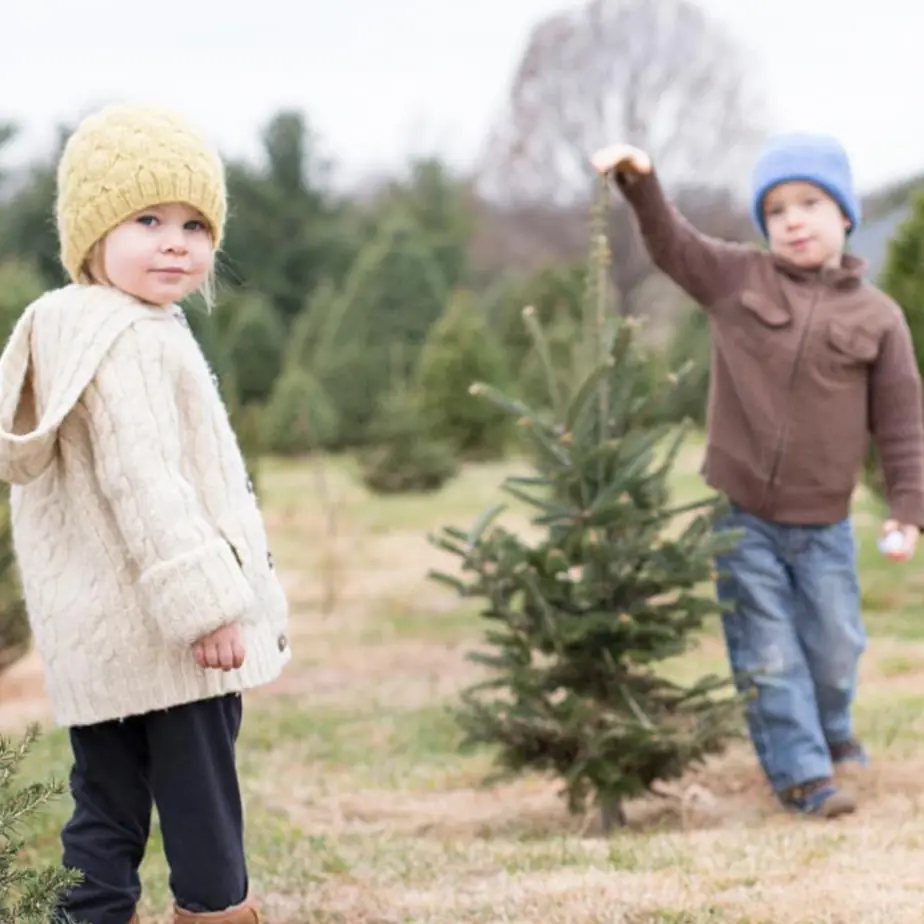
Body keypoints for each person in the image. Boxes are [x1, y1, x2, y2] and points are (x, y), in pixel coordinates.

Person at [0, 103, 291, 923]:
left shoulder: (67, 328)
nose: (178, 241)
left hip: (99, 640)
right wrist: (207, 609)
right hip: (176, 638)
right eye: (149, 218)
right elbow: (147, 482)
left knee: (106, 811)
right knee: (204, 816)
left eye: (197, 224)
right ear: (92, 233)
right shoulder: (132, 337)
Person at [591, 133, 924, 818]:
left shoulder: (879, 318)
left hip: (826, 525)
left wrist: (907, 507)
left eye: (809, 203)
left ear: (845, 215)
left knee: (836, 650)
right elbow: (672, 245)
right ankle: (803, 776)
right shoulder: (736, 278)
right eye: (775, 211)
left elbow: (900, 423)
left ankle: (832, 731)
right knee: (768, 650)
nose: (793, 220)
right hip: (744, 518)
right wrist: (642, 183)